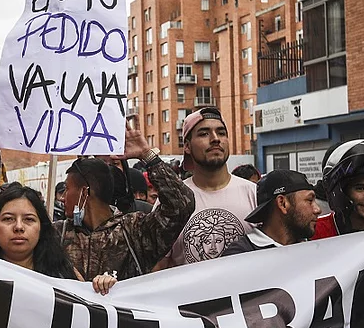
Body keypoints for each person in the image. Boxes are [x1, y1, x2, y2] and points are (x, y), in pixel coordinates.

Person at [56, 119, 195, 280]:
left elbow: (182, 205)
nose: (63, 198)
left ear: (84, 192)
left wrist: (147, 155)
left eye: (67, 189)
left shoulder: (134, 231)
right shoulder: (58, 234)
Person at [161, 107, 257, 267]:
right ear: (187, 146)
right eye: (204, 133)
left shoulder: (254, 194)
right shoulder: (173, 201)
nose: (215, 139)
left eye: (221, 133)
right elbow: (156, 269)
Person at [0, 184, 116, 294]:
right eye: (8, 219)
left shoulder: (63, 272)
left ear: (41, 227)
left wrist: (102, 289)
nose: (19, 227)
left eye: (29, 219)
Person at [221, 170, 320, 256]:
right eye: (309, 200)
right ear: (282, 203)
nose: (317, 210)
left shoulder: (314, 250)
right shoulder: (239, 256)